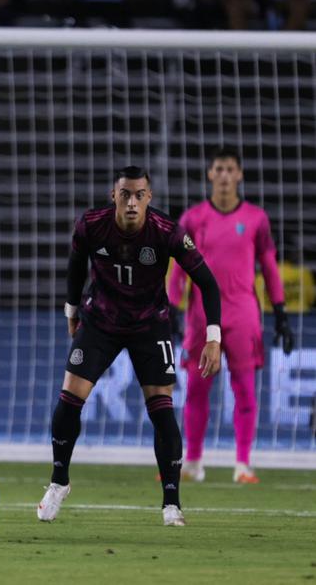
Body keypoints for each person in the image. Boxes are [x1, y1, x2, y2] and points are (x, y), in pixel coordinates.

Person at [38, 165, 222, 527]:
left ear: (149, 198)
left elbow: (208, 283)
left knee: (162, 411)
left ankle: (172, 504)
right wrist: (71, 310)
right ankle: (59, 481)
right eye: (126, 194)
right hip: (100, 323)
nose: (133, 202)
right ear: (114, 196)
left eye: (140, 195)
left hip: (149, 325)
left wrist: (213, 338)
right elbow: (76, 266)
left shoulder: (167, 232)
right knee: (67, 402)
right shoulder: (91, 225)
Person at [167, 148, 294, 484]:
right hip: (200, 314)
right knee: (195, 388)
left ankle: (242, 464)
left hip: (243, 313)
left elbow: (269, 266)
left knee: (245, 390)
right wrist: (170, 308)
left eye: (230, 169)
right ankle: (192, 462)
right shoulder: (192, 219)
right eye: (219, 169)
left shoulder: (256, 219)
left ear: (239, 175)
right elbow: (178, 271)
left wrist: (280, 311)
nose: (224, 175)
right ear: (210, 174)